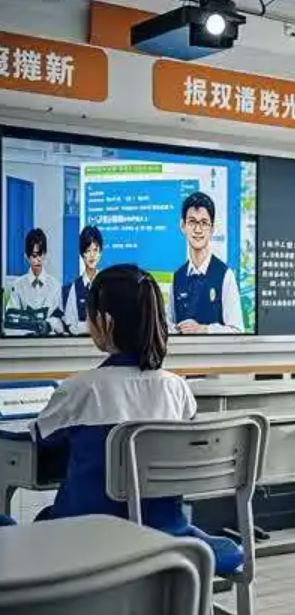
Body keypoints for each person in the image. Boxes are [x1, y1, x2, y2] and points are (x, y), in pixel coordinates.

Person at [33, 264, 197, 530]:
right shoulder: (178, 389)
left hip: (85, 534)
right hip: (164, 534)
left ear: (106, 322)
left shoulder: (79, 389)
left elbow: (39, 444)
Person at [169, 192, 244, 334]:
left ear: (212, 228)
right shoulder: (177, 277)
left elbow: (237, 331)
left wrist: (203, 329)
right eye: (192, 222)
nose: (198, 230)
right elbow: (169, 325)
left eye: (204, 223)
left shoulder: (225, 275)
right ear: (183, 226)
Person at [3, 228, 62, 336]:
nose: (38, 259)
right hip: (24, 342)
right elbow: (11, 318)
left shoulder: (55, 286)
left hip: (50, 342)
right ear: (26, 256)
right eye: (34, 255)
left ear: (45, 254)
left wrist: (48, 325)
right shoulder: (18, 285)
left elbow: (59, 320)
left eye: (41, 254)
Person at [62, 225, 103, 335]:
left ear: (101, 253)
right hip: (80, 344)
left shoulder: (107, 284)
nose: (92, 255)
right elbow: (71, 325)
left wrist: (82, 325)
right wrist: (94, 327)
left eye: (95, 250)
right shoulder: (75, 287)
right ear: (82, 254)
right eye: (88, 250)